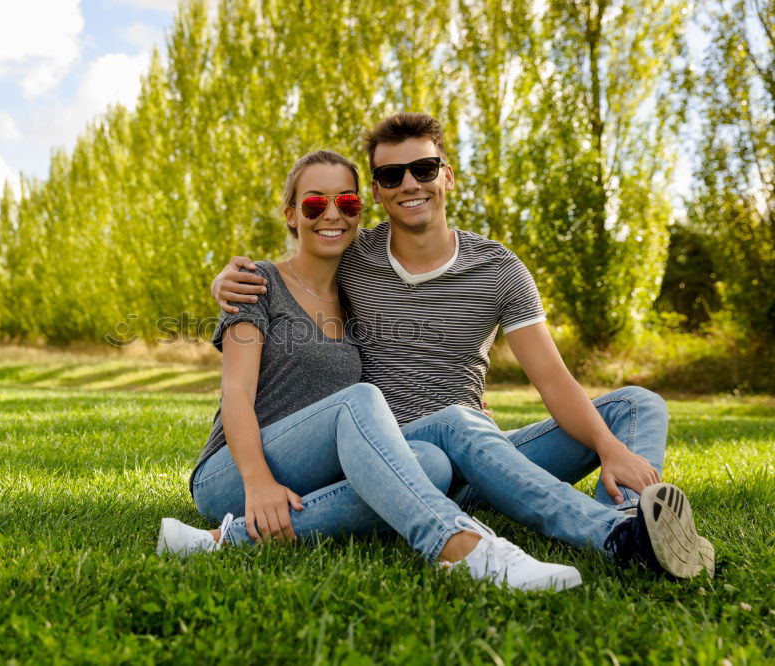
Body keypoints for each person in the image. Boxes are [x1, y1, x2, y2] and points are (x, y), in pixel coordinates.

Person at [208, 113, 714, 579]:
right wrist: (228, 280)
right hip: (404, 454)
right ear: (380, 196)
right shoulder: (354, 255)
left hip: (482, 448)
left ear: (447, 176)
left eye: (424, 168)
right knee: (451, 428)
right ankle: (616, 537)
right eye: (390, 177)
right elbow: (294, 270)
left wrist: (608, 446)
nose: (410, 183)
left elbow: (554, 380)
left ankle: (635, 522)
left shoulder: (498, 268)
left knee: (637, 405)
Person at [158, 150, 585, 592]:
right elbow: (236, 394)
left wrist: (469, 397)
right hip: (232, 475)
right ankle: (461, 546)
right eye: (313, 204)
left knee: (431, 465)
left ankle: (225, 541)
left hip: (314, 477)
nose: (331, 215)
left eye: (347, 203)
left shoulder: (357, 297)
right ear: (291, 215)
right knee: (359, 400)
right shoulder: (257, 284)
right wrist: (259, 481)